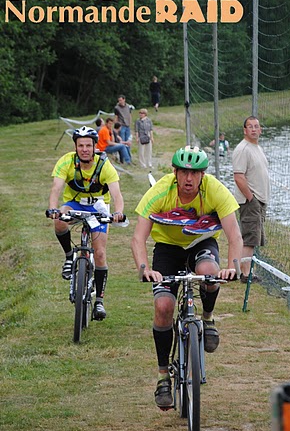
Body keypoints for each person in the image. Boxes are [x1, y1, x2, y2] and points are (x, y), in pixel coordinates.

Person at [131, 146, 243, 408]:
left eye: (195, 173)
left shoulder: (215, 190)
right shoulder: (160, 191)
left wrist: (232, 266)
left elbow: (234, 236)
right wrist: (144, 268)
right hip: (167, 249)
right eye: (184, 173)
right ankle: (162, 377)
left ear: (203, 174)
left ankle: (208, 317)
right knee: (163, 306)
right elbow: (138, 238)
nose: (189, 179)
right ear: (175, 173)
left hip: (202, 242)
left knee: (210, 274)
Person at [46, 126, 125, 320]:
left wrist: (118, 212)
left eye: (88, 145)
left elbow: (116, 193)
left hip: (98, 207)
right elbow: (56, 188)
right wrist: (53, 208)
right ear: (75, 146)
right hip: (73, 204)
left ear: (94, 146)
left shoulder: (104, 165)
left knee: (99, 253)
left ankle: (99, 301)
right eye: (80, 145)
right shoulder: (67, 162)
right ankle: (68, 256)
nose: (84, 149)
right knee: (59, 221)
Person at [232, 116, 270, 282]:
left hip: (260, 200)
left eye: (256, 126)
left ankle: (246, 270)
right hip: (250, 202)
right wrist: (251, 198)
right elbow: (239, 176)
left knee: (253, 238)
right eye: (250, 126)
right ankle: (244, 274)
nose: (254, 129)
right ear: (245, 130)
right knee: (249, 238)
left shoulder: (257, 148)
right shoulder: (243, 149)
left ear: (260, 129)